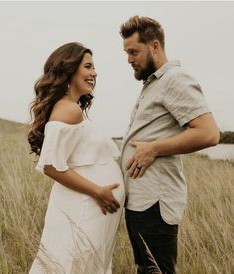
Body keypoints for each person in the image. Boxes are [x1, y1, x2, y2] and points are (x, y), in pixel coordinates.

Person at [119, 16, 220, 274]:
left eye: (133, 52)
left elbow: (209, 133)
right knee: (145, 269)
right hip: (140, 201)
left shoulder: (175, 79)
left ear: (154, 46)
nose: (129, 59)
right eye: (126, 53)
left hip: (156, 202)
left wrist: (153, 148)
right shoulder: (153, 84)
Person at [28, 42, 125, 274]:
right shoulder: (68, 110)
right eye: (88, 66)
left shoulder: (71, 107)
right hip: (82, 209)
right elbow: (51, 167)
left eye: (94, 67)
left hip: (87, 210)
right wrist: (97, 191)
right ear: (68, 69)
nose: (94, 73)